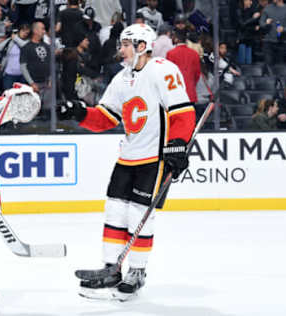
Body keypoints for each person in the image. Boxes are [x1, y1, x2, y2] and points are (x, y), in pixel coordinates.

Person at [57, 23, 195, 300]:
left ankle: (137, 271)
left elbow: (182, 111)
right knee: (115, 212)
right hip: (128, 157)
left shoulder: (163, 70)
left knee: (140, 216)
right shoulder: (121, 79)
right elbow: (106, 118)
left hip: (154, 158)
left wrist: (177, 144)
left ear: (141, 46)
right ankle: (111, 269)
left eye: (125, 44)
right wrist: (80, 113)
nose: (120, 50)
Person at [166, 29, 201, 104]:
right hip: (190, 93)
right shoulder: (194, 54)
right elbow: (197, 74)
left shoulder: (171, 54)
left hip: (175, 94)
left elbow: (168, 75)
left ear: (176, 38)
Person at [259, 0, 286, 65]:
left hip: (282, 41)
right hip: (268, 41)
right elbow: (261, 23)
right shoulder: (267, 8)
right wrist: (266, 23)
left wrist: (283, 29)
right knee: (268, 66)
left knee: (280, 66)